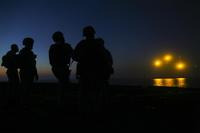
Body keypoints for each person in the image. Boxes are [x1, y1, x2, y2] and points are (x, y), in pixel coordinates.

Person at [73, 26, 114, 115]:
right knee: (95, 93)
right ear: (93, 33)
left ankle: (85, 113)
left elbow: (74, 56)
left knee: (84, 94)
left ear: (84, 34)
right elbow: (105, 59)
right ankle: (94, 113)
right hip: (96, 73)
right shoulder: (98, 44)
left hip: (85, 73)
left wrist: (82, 59)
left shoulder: (82, 44)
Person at [49, 31, 73, 103]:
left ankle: (61, 101)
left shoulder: (53, 47)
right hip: (61, 68)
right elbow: (74, 55)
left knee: (62, 84)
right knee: (64, 84)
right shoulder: (66, 46)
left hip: (57, 68)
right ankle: (62, 102)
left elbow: (51, 62)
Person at [18, 37, 38, 106]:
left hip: (28, 72)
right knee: (26, 88)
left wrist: (35, 73)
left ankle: (25, 102)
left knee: (27, 88)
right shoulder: (25, 52)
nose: (32, 45)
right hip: (26, 72)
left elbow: (32, 64)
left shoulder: (27, 52)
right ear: (28, 44)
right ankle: (24, 104)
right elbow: (30, 63)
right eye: (31, 43)